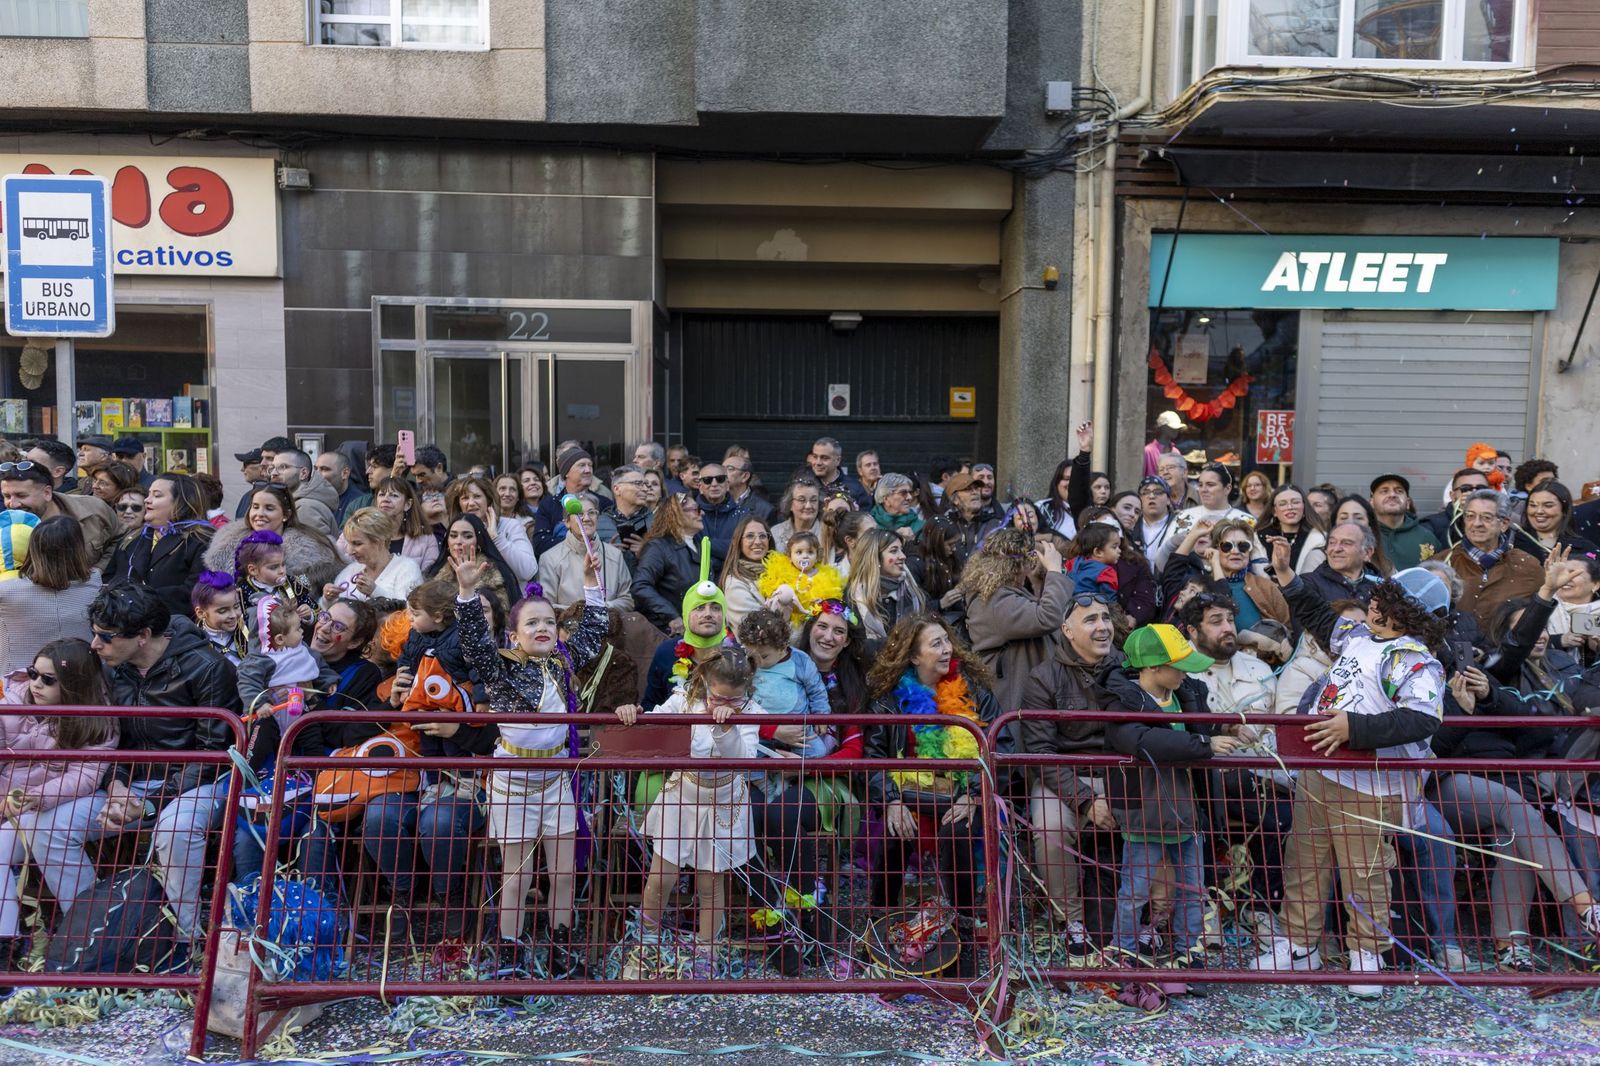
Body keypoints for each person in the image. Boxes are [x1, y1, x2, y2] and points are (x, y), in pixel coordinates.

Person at [1254, 546, 1451, 998]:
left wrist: (1353, 728)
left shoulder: (1414, 658)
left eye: (1389, 602)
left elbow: (1423, 718)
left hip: (1370, 783)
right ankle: (1298, 943)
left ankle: (1367, 954)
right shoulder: (1360, 636)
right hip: (1322, 772)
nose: (1376, 606)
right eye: (1380, 597)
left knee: (1364, 870)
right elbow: (1322, 621)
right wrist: (1288, 577)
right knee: (1304, 859)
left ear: (1411, 616)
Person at [17, 585, 240, 947]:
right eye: (94, 633)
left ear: (143, 636)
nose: (94, 644)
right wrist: (117, 785)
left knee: (175, 829)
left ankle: (184, 942)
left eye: (105, 636)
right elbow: (110, 740)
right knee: (49, 827)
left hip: (199, 781)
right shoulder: (114, 668)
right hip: (132, 781)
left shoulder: (208, 667)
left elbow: (214, 754)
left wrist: (150, 804)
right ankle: (97, 936)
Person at [1429, 548, 1600, 972]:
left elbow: (1517, 649)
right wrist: (1460, 707)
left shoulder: (1488, 667)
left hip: (1505, 783)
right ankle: (1589, 910)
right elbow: (1437, 744)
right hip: (1442, 779)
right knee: (1516, 811)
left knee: (1513, 834)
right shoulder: (1412, 662)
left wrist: (1486, 693)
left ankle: (1511, 945)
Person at [451, 541, 610, 978]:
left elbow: (595, 633)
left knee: (561, 875)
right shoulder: (500, 666)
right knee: (516, 878)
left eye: (548, 622)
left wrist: (593, 584)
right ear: (514, 633)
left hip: (556, 779)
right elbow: (474, 644)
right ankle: (510, 955)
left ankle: (562, 949)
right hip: (514, 783)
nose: (542, 628)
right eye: (532, 623)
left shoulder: (562, 662)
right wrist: (466, 594)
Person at [618, 646, 765, 980]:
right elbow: (653, 724)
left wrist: (727, 729)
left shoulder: (753, 712)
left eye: (734, 702)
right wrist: (632, 713)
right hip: (683, 795)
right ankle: (645, 949)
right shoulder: (684, 700)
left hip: (724, 801)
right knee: (661, 879)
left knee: (710, 884)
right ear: (705, 681)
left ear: (746, 694)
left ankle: (705, 956)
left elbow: (744, 759)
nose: (725, 707)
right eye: (718, 699)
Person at [1100, 624, 1237, 983]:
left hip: (1186, 812)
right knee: (1135, 892)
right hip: (1144, 814)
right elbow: (1144, 739)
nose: (1186, 672)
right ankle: (1124, 951)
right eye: (1179, 665)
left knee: (1193, 888)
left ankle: (1188, 952)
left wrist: (1219, 734)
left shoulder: (1187, 693)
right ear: (1153, 668)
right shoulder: (1122, 704)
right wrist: (1204, 746)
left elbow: (1201, 730)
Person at [864, 614, 1000, 971]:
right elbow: (873, 758)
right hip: (907, 798)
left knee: (959, 834)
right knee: (893, 834)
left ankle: (965, 933)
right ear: (913, 656)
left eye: (947, 641)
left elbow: (998, 748)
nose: (947, 649)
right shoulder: (888, 701)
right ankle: (879, 928)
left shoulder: (974, 693)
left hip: (958, 799)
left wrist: (972, 794)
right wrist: (891, 801)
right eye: (936, 643)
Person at [0, 639, 117, 965]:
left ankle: (88, 941)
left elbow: (86, 777)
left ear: (75, 684)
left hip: (47, 806)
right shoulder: (11, 703)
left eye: (48, 680)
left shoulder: (99, 720)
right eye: (34, 673)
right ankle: (6, 951)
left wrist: (36, 798)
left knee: (41, 836)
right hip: (12, 807)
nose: (36, 684)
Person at [1018, 590, 1119, 962]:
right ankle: (1071, 921)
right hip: (1063, 777)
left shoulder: (1128, 667)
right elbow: (1041, 753)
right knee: (1049, 829)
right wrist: (1086, 800)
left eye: (1106, 619)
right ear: (1067, 630)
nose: (1102, 627)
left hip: (1119, 775)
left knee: (1161, 813)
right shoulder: (1043, 678)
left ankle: (1149, 919)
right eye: (1091, 620)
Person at [736, 608, 836, 973]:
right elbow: (738, 708)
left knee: (788, 815)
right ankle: (774, 920)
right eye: (752, 653)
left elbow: (819, 701)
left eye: (763, 655)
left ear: (782, 647)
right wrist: (769, 734)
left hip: (802, 749)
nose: (756, 661)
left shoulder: (801, 663)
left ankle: (807, 910)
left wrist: (820, 728)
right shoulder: (745, 665)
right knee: (752, 818)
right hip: (759, 751)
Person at [960, 528, 1069, 715]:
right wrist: (1054, 571)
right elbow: (1048, 617)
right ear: (1018, 564)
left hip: (1026, 691)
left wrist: (1038, 581)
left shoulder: (1001, 594)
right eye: (1030, 558)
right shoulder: (994, 601)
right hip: (1011, 698)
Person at [104, 474, 214, 616]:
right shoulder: (133, 538)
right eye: (149, 494)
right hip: (126, 623)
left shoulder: (201, 539)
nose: (147, 500)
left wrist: (139, 599)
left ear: (180, 502)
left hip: (175, 627)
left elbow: (196, 592)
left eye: (157, 495)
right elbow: (109, 578)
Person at [0, 517, 101, 671]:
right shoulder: (96, 583)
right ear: (79, 548)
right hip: (83, 682)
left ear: (33, 549)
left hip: (18, 685)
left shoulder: (6, 592)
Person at [205, 484, 343, 594]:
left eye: (269, 508)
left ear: (286, 514)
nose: (259, 514)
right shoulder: (227, 541)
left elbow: (325, 594)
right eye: (255, 507)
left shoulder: (315, 550)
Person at [641, 546, 731, 711]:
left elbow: (749, 707)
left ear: (724, 615)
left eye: (716, 608)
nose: (708, 614)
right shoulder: (667, 652)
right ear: (686, 615)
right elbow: (651, 705)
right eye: (699, 608)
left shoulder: (735, 655)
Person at [1440, 489, 1545, 628]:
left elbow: (1539, 619)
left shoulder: (1528, 566)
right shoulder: (1442, 564)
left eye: (1487, 517)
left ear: (1504, 524)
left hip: (1507, 648)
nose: (1477, 523)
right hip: (1455, 648)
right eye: (1470, 516)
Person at [1161, 518, 1287, 632]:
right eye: (1227, 546)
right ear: (1216, 548)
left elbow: (1288, 626)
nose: (1236, 551)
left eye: (1243, 546)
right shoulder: (1200, 585)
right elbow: (1172, 574)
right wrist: (1194, 535)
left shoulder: (1265, 586)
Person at [0, 459, 120, 570]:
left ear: (47, 492)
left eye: (21, 496)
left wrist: (99, 570)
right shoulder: (3, 530)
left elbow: (120, 538)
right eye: (7, 496)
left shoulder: (94, 508)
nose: (12, 504)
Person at [535, 494, 633, 611]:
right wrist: (585, 612)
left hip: (611, 625)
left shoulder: (614, 555)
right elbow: (546, 606)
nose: (586, 519)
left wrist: (602, 608)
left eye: (592, 513)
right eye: (579, 514)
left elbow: (628, 601)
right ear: (567, 522)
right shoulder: (550, 558)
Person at [1152, 462, 1253, 574]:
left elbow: (1257, 562)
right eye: (1200, 485)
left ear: (1227, 488)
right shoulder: (1183, 517)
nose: (1203, 489)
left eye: (1210, 484)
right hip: (1187, 585)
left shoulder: (1247, 520)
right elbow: (1161, 561)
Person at [631, 494, 706, 636]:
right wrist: (671, 615)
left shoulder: (700, 545)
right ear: (677, 514)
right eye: (696, 509)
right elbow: (640, 585)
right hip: (667, 632)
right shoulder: (658, 547)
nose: (702, 513)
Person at [446, 475, 537, 584]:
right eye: (465, 498)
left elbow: (528, 571)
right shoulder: (454, 531)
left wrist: (496, 538)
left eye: (477, 496)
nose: (471, 503)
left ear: (488, 500)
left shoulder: (510, 526)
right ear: (459, 504)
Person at [426, 513, 520, 616]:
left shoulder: (496, 577)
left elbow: (498, 621)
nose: (458, 541)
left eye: (467, 536)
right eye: (453, 536)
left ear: (478, 542)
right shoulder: (433, 575)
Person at [846, 527, 927, 644]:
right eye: (894, 551)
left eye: (901, 550)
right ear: (875, 558)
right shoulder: (852, 597)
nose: (903, 556)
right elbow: (856, 647)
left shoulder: (911, 589)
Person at [326, 508, 424, 604]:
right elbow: (329, 613)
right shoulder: (351, 570)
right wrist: (327, 599)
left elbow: (409, 611)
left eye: (357, 543)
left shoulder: (407, 568)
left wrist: (375, 592)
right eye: (349, 543)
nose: (350, 551)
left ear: (379, 541)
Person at [758, 531, 845, 630]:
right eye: (799, 552)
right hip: (787, 622)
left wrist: (823, 604)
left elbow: (833, 603)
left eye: (810, 552)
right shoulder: (782, 575)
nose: (805, 556)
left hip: (812, 624)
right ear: (790, 557)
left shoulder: (827, 577)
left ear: (817, 556)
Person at [1300, 522, 1384, 607]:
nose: (1336, 549)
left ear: (1367, 552)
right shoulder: (1308, 584)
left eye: (1346, 543)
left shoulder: (1382, 587)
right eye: (1332, 542)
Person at [368, 476, 441, 573]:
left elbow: (428, 578)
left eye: (394, 495)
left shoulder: (426, 538)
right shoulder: (363, 531)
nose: (385, 499)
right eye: (381, 494)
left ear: (408, 504)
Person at [1370, 474, 1441, 571]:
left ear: (1408, 503)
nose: (1392, 495)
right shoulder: (1362, 535)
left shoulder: (1426, 538)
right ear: (1371, 502)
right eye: (1384, 491)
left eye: (1399, 491)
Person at [932, 472, 1000, 571]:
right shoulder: (944, 526)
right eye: (968, 489)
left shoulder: (994, 523)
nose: (975, 492)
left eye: (976, 488)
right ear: (955, 500)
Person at [1254, 484, 1326, 576]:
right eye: (1282, 504)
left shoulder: (1320, 539)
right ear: (1274, 511)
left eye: (1295, 502)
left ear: (1304, 507)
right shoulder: (1258, 538)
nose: (1290, 507)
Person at [269, 449, 340, 540]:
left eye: (283, 467)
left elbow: (314, 551)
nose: (274, 473)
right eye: (272, 468)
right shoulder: (297, 503)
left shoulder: (306, 508)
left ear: (303, 473)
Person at [719, 515, 771, 630]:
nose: (758, 542)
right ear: (738, 542)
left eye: (763, 536)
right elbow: (758, 629)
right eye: (750, 536)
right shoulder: (734, 583)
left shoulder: (780, 572)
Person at [1523, 480, 1599, 556]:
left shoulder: (1585, 549)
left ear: (1564, 510)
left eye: (1548, 505)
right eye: (1533, 505)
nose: (1539, 511)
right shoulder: (1514, 541)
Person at [1421, 468, 1490, 548]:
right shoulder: (1431, 525)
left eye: (1481, 488)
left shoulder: (1497, 522)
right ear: (1453, 496)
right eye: (1466, 489)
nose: (1474, 493)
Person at [1332, 495, 1395, 576]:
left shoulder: (1385, 565)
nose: (1350, 522)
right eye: (1343, 518)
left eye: (1358, 518)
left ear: (1370, 525)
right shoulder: (1320, 557)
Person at [606, 464, 655, 566]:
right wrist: (605, 554)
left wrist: (648, 552)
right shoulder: (599, 522)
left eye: (645, 484)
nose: (646, 489)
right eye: (638, 483)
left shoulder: (658, 522)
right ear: (617, 489)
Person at [192, 571, 244, 664]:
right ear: (200, 612)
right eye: (223, 611)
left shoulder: (249, 630)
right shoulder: (195, 642)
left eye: (236, 606)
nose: (233, 615)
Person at [770, 478, 823, 554]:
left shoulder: (828, 533)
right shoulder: (776, 532)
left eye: (813, 500)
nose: (808, 506)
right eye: (802, 500)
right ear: (790, 504)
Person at [314, 451, 364, 524]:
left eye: (324, 469)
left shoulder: (359, 503)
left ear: (345, 473)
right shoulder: (309, 497)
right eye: (315, 469)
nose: (317, 474)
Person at [870, 473, 924, 541]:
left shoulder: (921, 528)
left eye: (910, 492)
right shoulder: (869, 526)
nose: (909, 497)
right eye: (903, 493)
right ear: (886, 499)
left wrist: (912, 541)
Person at [1038, 460, 1078, 540]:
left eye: (1077, 479)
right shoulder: (1043, 508)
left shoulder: (1093, 511)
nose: (1072, 483)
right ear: (1057, 482)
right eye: (1067, 479)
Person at [1144, 411, 1185, 478]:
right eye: (1172, 427)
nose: (1176, 430)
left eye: (1177, 428)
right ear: (1163, 427)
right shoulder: (1148, 451)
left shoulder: (1176, 452)